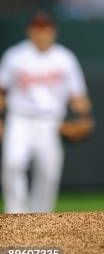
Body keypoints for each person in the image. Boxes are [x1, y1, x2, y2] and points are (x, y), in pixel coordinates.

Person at [0, 13, 94, 213]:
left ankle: (41, 216)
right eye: (38, 29)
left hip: (51, 121)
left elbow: (77, 95)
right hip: (20, 119)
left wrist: (83, 118)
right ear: (30, 31)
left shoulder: (65, 58)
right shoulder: (15, 55)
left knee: (48, 173)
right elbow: (2, 91)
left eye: (46, 29)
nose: (42, 34)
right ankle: (15, 213)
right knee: (12, 163)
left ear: (53, 32)